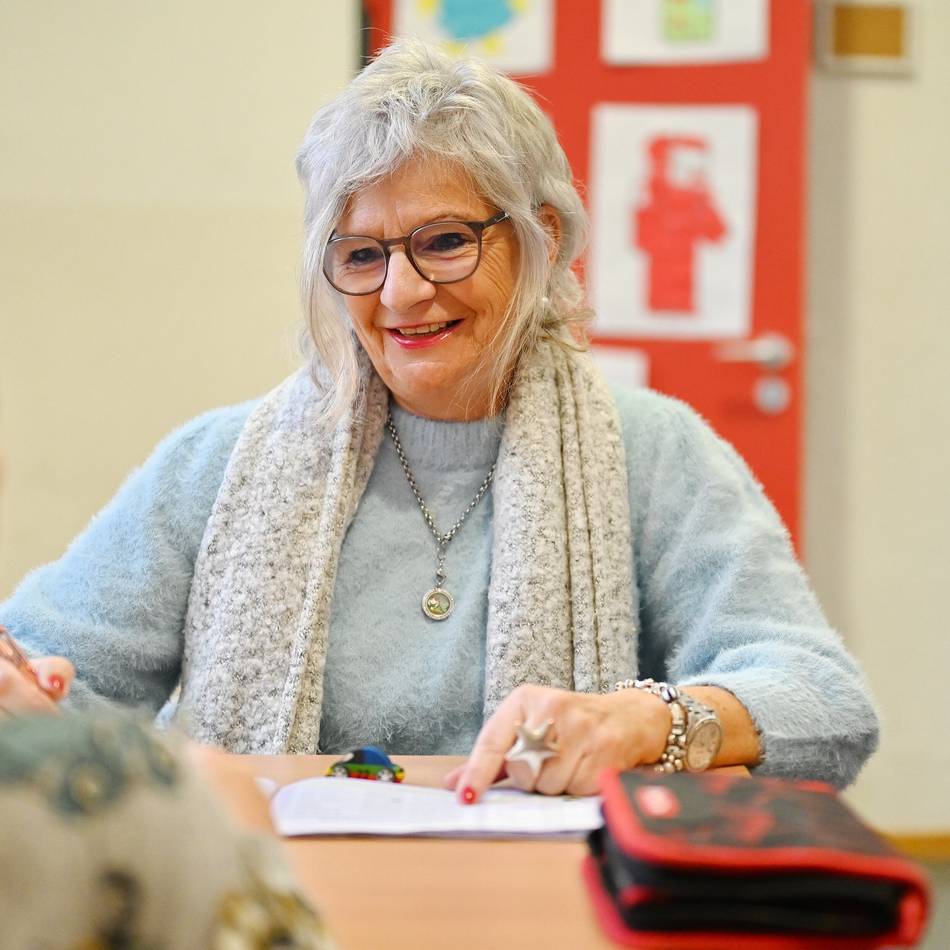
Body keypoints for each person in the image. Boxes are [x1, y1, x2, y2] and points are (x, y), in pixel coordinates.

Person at [0, 40, 878, 805]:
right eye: (361, 254)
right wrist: (31, 697)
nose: (402, 292)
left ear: (538, 238)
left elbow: (824, 704)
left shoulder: (652, 451)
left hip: (547, 908)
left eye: (445, 240)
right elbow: (55, 670)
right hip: (275, 897)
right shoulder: (217, 463)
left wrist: (643, 720)